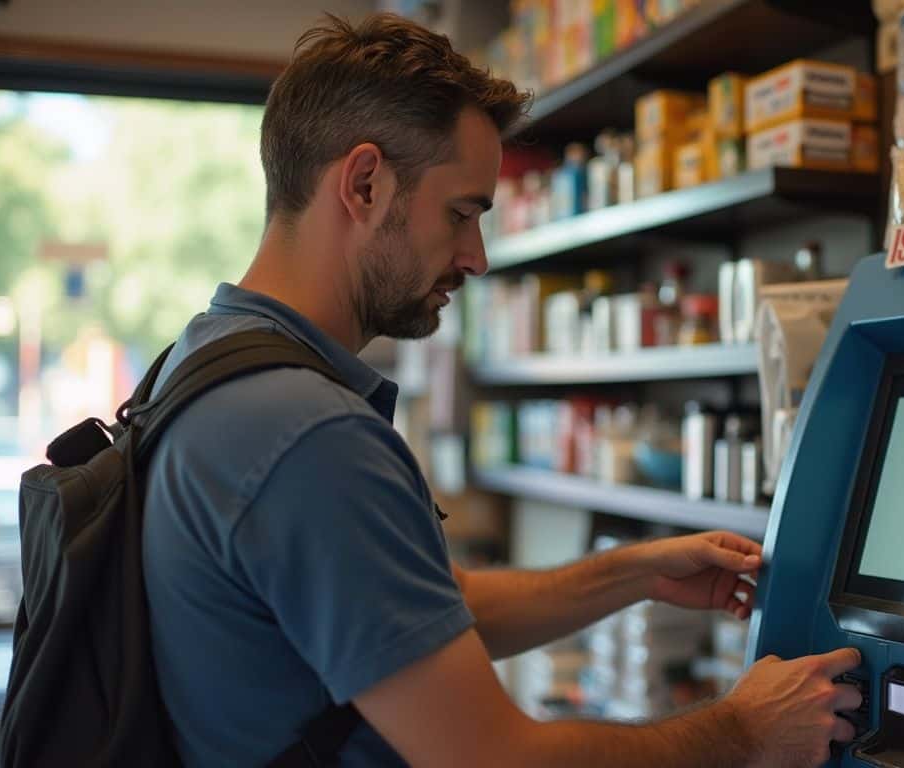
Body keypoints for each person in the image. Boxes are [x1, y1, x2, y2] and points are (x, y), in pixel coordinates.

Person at [143, 13, 862, 767]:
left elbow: (429, 606)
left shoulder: (207, 360)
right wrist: (746, 729)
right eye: (462, 213)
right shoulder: (307, 437)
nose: (477, 257)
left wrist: (636, 572)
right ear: (363, 184)